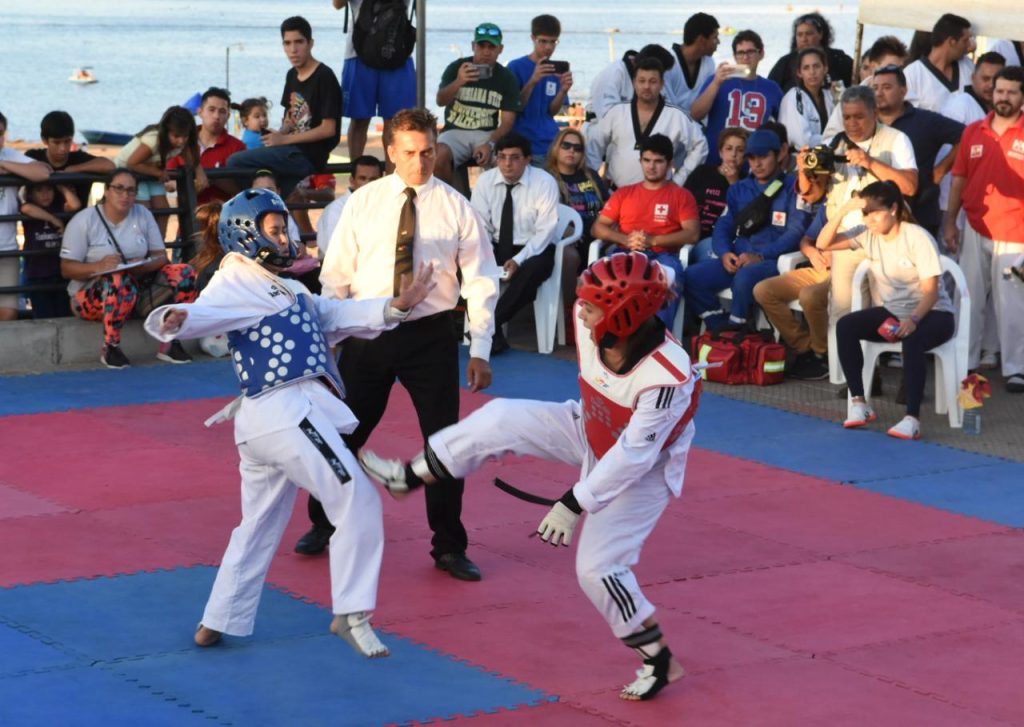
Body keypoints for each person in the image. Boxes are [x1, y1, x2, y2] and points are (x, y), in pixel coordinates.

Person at [359, 251, 699, 703]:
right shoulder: (596, 320)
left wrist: (573, 503)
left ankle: (658, 659)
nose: (580, 309)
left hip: (643, 469)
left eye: (592, 305)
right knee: (499, 417)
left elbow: (633, 456)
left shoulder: (668, 376)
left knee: (598, 569)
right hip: (591, 425)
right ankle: (411, 476)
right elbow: (653, 279)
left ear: (624, 314)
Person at [143, 187, 436, 656]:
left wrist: (394, 306)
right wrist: (177, 318)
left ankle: (217, 619)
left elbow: (331, 314)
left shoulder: (289, 287)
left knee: (257, 525)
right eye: (275, 230)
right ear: (247, 235)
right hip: (285, 412)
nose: (285, 237)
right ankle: (352, 612)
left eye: (285, 229)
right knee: (356, 496)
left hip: (265, 423)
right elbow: (208, 309)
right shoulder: (236, 277)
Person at [310, 108, 500, 581]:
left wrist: (480, 348)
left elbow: (481, 280)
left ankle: (449, 546)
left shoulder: (457, 206)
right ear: (391, 151)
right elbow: (336, 277)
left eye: (428, 151)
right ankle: (323, 522)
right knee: (344, 432)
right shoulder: (362, 202)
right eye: (411, 153)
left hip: (431, 336)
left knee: (444, 443)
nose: (421, 161)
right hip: (368, 330)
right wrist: (327, 342)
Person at [822, 182, 955, 440]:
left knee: (912, 339)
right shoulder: (867, 234)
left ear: (893, 209)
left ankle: (912, 419)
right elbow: (823, 243)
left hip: (934, 313)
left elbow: (931, 292)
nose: (869, 220)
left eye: (875, 213)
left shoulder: (917, 237)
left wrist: (913, 320)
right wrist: (845, 210)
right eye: (865, 214)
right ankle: (859, 403)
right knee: (846, 326)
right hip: (893, 312)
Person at [59, 168, 198, 368]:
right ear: (106, 191)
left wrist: (140, 266)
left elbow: (161, 257)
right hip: (91, 296)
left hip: (137, 289)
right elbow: (66, 268)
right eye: (119, 188)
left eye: (131, 190)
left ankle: (170, 340)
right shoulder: (84, 220)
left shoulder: (143, 214)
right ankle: (111, 346)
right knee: (118, 278)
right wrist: (98, 266)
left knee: (184, 272)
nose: (125, 195)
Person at [944, 67, 1024, 392]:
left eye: (1011, 92)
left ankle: (1016, 368)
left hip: (1016, 234)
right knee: (969, 297)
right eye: (999, 90)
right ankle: (966, 360)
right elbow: (959, 178)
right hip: (976, 226)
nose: (1003, 97)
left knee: (1013, 302)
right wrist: (951, 220)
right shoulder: (974, 131)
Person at [684, 128, 810, 332]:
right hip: (738, 259)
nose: (756, 164)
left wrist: (760, 256)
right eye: (751, 158)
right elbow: (723, 226)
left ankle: (739, 329)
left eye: (763, 156)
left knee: (744, 278)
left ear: (779, 154)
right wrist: (725, 253)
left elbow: (796, 232)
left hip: (773, 262)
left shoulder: (794, 187)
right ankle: (720, 328)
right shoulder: (738, 189)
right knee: (691, 276)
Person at [591, 134, 700, 330]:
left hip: (664, 256)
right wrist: (625, 239)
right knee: (599, 278)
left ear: (670, 164)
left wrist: (653, 240)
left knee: (668, 279)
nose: (651, 166)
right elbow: (597, 227)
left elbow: (692, 234)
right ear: (640, 161)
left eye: (658, 161)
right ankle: (608, 333)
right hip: (625, 253)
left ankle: (658, 337)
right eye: (647, 160)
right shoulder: (624, 193)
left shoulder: (681, 195)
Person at [227, 16, 342, 200]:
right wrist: (279, 133)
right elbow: (290, 118)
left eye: (299, 42)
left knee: (235, 161)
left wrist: (284, 139)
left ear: (310, 43)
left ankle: (251, 201)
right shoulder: (291, 75)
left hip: (307, 156)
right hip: (289, 152)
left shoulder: (324, 76)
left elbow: (329, 129)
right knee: (284, 198)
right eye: (287, 43)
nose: (293, 50)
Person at [471, 131, 559, 354]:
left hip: (533, 248)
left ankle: (487, 326)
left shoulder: (544, 182)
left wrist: (518, 260)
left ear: (528, 159)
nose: (507, 164)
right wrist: (486, 255)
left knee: (533, 270)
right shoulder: (485, 181)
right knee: (470, 260)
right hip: (496, 245)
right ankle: (493, 333)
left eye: (514, 157)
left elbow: (545, 231)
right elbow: (480, 225)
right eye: (502, 157)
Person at [586, 56, 707, 189]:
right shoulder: (617, 112)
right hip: (617, 192)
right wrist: (594, 179)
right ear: (634, 83)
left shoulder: (676, 116)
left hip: (660, 194)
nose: (646, 86)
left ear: (662, 84)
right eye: (641, 81)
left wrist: (679, 180)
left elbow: (700, 145)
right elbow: (594, 144)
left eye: (653, 81)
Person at [872, 64, 964, 237]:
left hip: (920, 214)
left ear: (903, 91)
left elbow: (966, 136)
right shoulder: (867, 123)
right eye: (875, 88)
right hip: (877, 216)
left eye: (887, 87)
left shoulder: (926, 120)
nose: (879, 93)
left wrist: (941, 170)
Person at [434, 23, 522, 186]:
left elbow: (508, 122)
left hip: (487, 133)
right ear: (473, 46)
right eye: (481, 46)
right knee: (438, 155)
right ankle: (447, 197)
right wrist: (459, 81)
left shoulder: (506, 77)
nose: (486, 52)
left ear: (500, 49)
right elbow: (440, 101)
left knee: (507, 163)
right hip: (454, 131)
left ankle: (500, 199)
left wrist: (490, 144)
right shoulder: (457, 68)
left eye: (492, 47)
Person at [332, 0, 416, 168]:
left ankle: (393, 178)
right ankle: (357, 176)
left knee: (395, 123)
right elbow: (337, 4)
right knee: (359, 119)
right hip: (359, 50)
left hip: (396, 50)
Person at [691, 30, 783, 167]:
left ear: (761, 54)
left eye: (750, 52)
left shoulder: (772, 88)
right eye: (740, 53)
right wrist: (716, 83)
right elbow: (695, 114)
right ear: (734, 56)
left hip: (755, 165)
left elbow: (782, 127)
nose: (745, 57)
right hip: (717, 161)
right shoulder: (718, 80)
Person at [115, 105, 208, 236]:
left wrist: (199, 171)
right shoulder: (154, 140)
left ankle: (159, 243)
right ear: (166, 131)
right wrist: (159, 173)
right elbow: (132, 163)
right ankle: (142, 244)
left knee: (164, 210)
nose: (181, 141)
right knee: (144, 211)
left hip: (151, 172)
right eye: (176, 136)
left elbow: (190, 158)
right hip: (130, 172)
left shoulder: (181, 143)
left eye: (185, 136)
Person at [546, 126, 608, 307]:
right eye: (566, 146)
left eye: (577, 148)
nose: (571, 151)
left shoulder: (591, 175)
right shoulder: (546, 178)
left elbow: (609, 206)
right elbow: (542, 213)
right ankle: (569, 310)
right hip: (565, 237)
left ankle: (602, 308)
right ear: (556, 147)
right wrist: (566, 231)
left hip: (596, 234)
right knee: (569, 257)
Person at [0, 111, 51, 321]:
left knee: (8, 312)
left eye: (0, 133)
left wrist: (5, 165)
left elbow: (43, 172)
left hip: (7, 248)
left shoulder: (8, 156)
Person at [507, 14, 572, 163]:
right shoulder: (516, 67)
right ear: (533, 38)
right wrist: (533, 81)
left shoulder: (555, 70)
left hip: (550, 143)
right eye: (543, 41)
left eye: (553, 42)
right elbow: (514, 107)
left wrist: (563, 91)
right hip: (523, 144)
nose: (548, 47)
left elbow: (551, 112)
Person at [166, 88, 247, 205]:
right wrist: (187, 186)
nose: (216, 116)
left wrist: (214, 178)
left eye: (222, 111)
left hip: (223, 213)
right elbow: (168, 181)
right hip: (188, 212)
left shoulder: (238, 147)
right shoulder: (182, 141)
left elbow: (243, 190)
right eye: (211, 110)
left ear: (228, 116)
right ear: (200, 112)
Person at [683, 127, 749, 253]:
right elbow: (683, 203)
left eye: (740, 150)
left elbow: (744, 215)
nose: (733, 154)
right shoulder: (702, 173)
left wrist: (733, 181)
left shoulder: (748, 181)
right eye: (729, 148)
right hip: (693, 237)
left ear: (746, 156)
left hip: (727, 241)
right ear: (720, 152)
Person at [26, 110, 114, 204]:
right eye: (56, 142)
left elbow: (110, 166)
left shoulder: (79, 159)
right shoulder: (33, 157)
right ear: (44, 140)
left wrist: (73, 169)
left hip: (78, 214)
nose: (63, 148)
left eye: (67, 141)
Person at [20, 180, 79, 318]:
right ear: (30, 194)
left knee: (64, 315)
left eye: (49, 189)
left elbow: (75, 205)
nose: (45, 194)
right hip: (37, 274)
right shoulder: (31, 209)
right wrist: (53, 219)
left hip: (59, 272)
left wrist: (61, 187)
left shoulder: (59, 207)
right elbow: (26, 208)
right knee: (43, 316)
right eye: (39, 190)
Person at [904, 14, 975, 112]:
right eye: (965, 40)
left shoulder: (968, 66)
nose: (969, 46)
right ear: (952, 41)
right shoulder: (912, 74)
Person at [316, 155, 384, 258]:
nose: (368, 184)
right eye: (362, 178)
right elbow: (334, 250)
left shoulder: (390, 205)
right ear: (352, 181)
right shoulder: (335, 210)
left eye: (373, 179)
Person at [767, 12, 854, 92]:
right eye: (800, 35)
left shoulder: (838, 59)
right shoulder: (785, 64)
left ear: (820, 34)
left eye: (809, 34)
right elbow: (770, 91)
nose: (804, 39)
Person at [588, 45, 676, 122]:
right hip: (599, 129)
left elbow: (668, 108)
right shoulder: (614, 74)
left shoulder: (654, 80)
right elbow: (606, 115)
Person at [779, 48, 835, 151]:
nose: (812, 72)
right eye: (806, 68)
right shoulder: (794, 96)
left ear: (825, 69)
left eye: (816, 66)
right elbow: (803, 141)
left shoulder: (829, 96)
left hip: (828, 154)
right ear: (799, 73)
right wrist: (834, 141)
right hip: (799, 156)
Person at [664, 13, 720, 116]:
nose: (718, 42)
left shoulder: (709, 63)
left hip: (698, 123)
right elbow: (666, 107)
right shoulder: (667, 64)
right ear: (702, 40)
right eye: (715, 38)